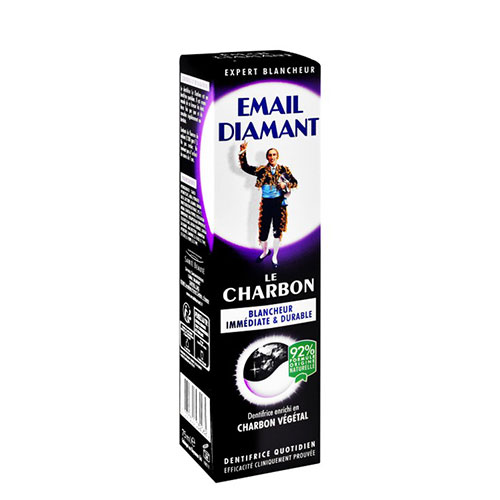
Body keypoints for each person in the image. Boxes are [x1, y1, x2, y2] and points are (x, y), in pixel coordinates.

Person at [238, 140, 298, 268]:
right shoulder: (261, 170)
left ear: (277, 156)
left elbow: (295, 182)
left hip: (278, 203)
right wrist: (243, 151)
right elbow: (245, 167)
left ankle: (275, 256)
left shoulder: (284, 170)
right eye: (270, 155)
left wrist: (286, 184)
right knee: (263, 231)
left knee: (277, 230)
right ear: (267, 157)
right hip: (266, 203)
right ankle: (265, 252)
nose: (272, 157)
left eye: (274, 154)